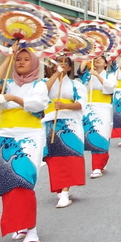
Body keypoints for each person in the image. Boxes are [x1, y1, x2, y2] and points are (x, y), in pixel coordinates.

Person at [0, 45, 49, 242]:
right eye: (18, 59)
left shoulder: (40, 85)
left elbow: (39, 104)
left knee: (23, 181)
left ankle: (32, 231)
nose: (21, 62)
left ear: (33, 63)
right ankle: (19, 225)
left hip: (29, 137)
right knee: (7, 183)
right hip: (6, 137)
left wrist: (13, 98)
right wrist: (7, 57)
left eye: (25, 59)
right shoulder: (8, 83)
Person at [44, 55, 87, 209]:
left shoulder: (76, 85)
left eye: (65, 63)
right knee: (54, 158)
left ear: (69, 67)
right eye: (58, 62)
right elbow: (41, 94)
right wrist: (56, 74)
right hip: (51, 124)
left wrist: (64, 106)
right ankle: (60, 187)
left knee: (68, 157)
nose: (62, 64)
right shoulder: (45, 83)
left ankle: (64, 192)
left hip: (70, 124)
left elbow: (81, 104)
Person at [83, 55, 116, 178]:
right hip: (89, 107)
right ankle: (98, 164)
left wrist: (97, 75)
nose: (97, 60)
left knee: (102, 133)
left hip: (103, 107)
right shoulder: (88, 75)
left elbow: (110, 88)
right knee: (92, 134)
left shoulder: (109, 76)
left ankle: (98, 164)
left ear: (105, 64)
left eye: (100, 59)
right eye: (95, 58)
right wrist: (85, 59)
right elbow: (80, 73)